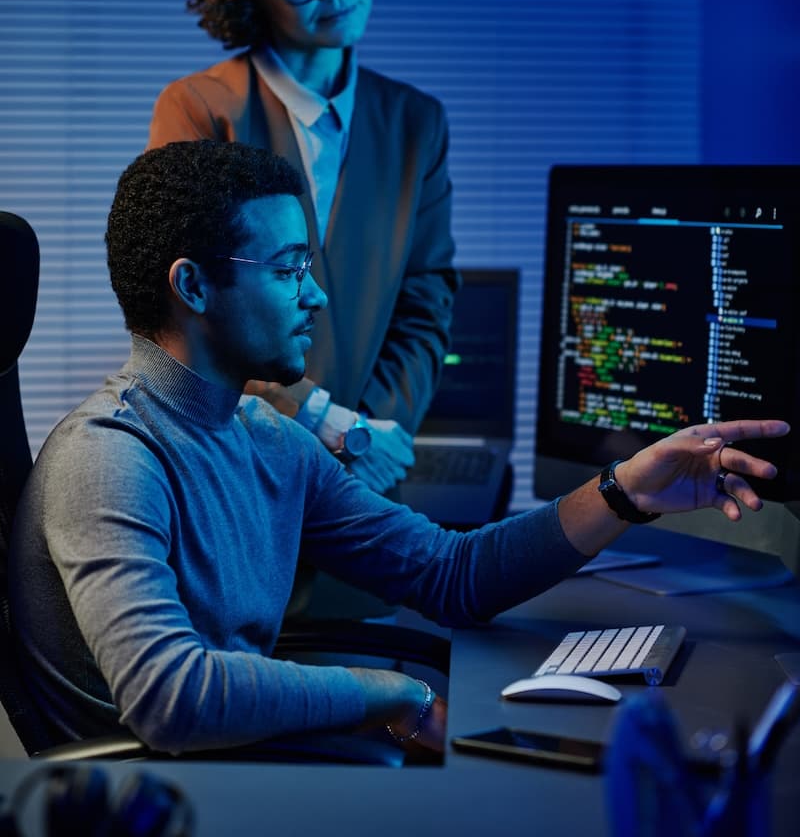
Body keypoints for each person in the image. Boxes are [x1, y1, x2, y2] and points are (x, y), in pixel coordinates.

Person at [9, 141, 786, 757]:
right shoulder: (108, 458)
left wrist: (624, 492)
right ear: (194, 286)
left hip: (238, 762)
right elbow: (170, 700)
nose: (314, 295)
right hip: (165, 800)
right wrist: (394, 693)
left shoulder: (264, 439)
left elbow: (452, 574)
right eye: (288, 270)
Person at [147, 0, 459, 499]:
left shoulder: (416, 123)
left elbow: (425, 302)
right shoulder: (201, 109)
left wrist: (372, 431)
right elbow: (188, 311)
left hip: (365, 481)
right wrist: (317, 419)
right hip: (235, 468)